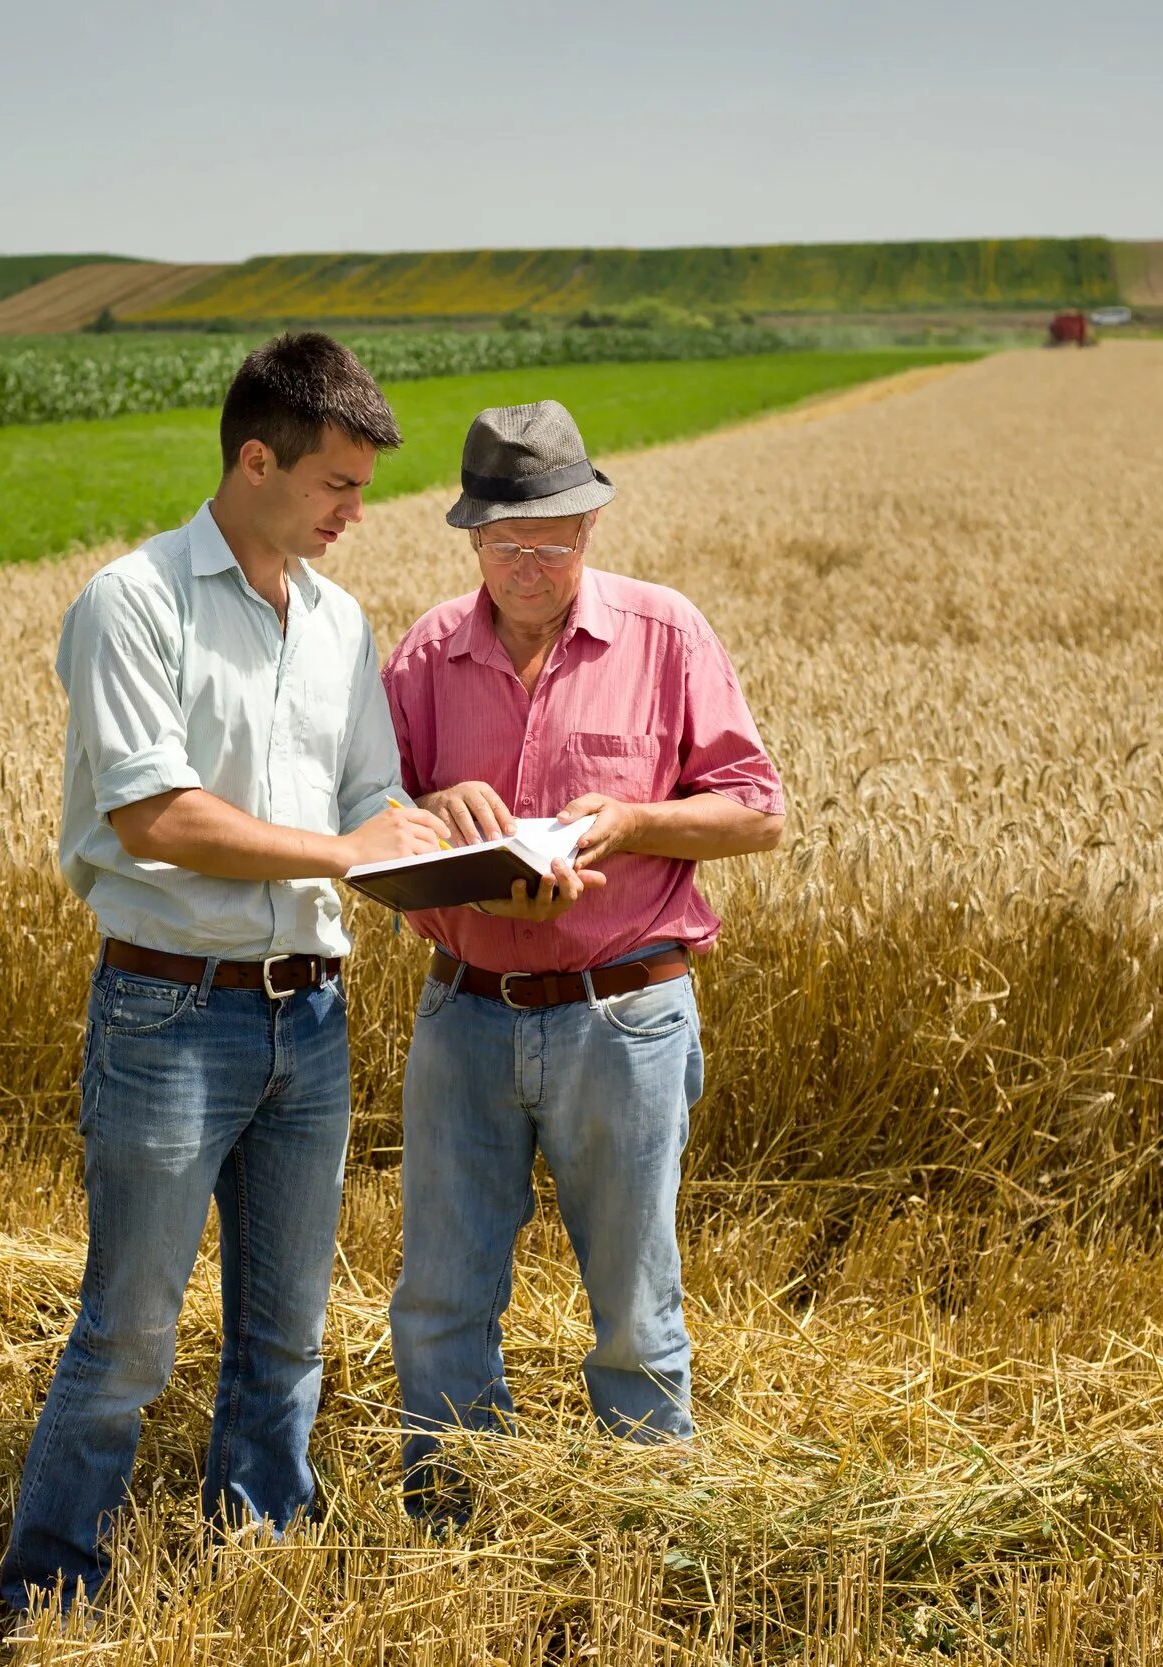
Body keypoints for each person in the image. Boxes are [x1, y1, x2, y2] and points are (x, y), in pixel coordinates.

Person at [0, 332, 448, 1611]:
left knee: (286, 1331)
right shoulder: (132, 601)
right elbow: (157, 816)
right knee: (132, 1330)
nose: (357, 512)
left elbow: (367, 792)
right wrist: (347, 848)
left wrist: (431, 835)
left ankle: (254, 1554)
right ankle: (52, 1590)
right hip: (167, 1011)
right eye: (337, 486)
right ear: (256, 460)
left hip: (310, 1013)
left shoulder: (341, 620)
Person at [381, 399, 786, 1518]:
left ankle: (649, 1533)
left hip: (625, 1016)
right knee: (440, 1296)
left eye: (555, 538)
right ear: (470, 537)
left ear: (591, 523)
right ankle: (454, 1519)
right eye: (508, 541)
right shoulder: (422, 653)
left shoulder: (665, 634)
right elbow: (359, 811)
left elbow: (757, 812)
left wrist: (631, 822)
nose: (531, 562)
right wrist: (427, 802)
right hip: (464, 1012)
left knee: (634, 1301)